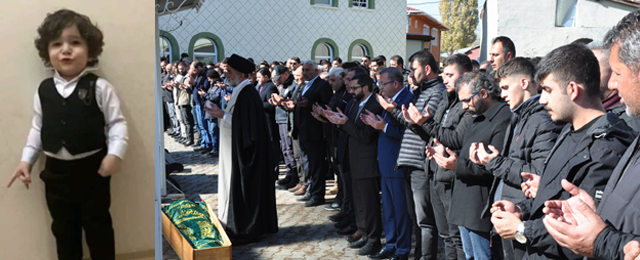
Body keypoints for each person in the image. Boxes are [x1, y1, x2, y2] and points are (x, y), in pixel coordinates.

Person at [490, 44, 635, 260]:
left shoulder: (606, 149)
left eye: (548, 90)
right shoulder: (568, 130)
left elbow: (582, 233)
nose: (542, 100)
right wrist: (522, 209)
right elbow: (557, 200)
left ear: (573, 89)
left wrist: (523, 230)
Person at [7, 9, 128, 260]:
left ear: (90, 49)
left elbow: (117, 124)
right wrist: (26, 160)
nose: (66, 49)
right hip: (56, 175)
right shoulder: (44, 90)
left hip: (93, 171)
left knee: (98, 228)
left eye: (75, 42)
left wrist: (115, 154)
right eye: (57, 44)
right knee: (63, 230)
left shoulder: (100, 87)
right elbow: (38, 128)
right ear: (46, 51)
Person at [541, 10, 640, 260]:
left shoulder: (610, 141)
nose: (612, 85)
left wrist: (603, 241)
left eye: (617, 73)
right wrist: (599, 210)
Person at [473, 57, 562, 260]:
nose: (502, 94)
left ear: (524, 83)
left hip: (525, 218)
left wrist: (495, 162)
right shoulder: (520, 116)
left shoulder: (542, 120)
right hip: (512, 211)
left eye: (505, 87)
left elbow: (537, 175)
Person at [403, 53, 474, 260]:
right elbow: (432, 132)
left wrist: (424, 123)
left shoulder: (467, 105)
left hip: (453, 178)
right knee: (446, 235)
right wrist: (415, 123)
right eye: (444, 74)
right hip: (435, 173)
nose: (445, 79)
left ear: (466, 76)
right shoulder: (447, 99)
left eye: (450, 75)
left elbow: (455, 138)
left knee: (456, 236)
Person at [376, 49, 445, 260]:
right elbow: (410, 123)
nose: (410, 75)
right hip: (409, 161)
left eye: (413, 69)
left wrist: (391, 110)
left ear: (426, 68)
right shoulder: (420, 91)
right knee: (415, 216)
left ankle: (423, 257)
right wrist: (395, 110)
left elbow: (420, 123)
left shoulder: (437, 92)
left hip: (421, 162)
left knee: (424, 219)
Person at [203, 54, 278, 242]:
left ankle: (245, 228)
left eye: (229, 72)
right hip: (236, 149)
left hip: (247, 155)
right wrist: (222, 114)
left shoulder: (247, 93)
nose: (226, 75)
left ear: (242, 75)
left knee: (245, 191)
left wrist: (222, 114)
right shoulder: (240, 90)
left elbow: (248, 127)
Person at [324, 73, 384, 256]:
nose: (350, 91)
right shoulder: (358, 103)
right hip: (355, 161)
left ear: (365, 88)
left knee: (369, 204)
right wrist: (338, 121)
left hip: (367, 163)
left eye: (354, 88)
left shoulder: (375, 105)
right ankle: (364, 234)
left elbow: (366, 135)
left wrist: (345, 123)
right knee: (359, 204)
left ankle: (374, 240)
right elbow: (350, 127)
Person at [361, 67, 413, 260]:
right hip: (385, 162)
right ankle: (391, 245)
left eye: (383, 83)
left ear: (396, 84)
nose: (379, 87)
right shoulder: (387, 100)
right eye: (379, 83)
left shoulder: (407, 99)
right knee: (389, 210)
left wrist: (383, 126)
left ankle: (402, 249)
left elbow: (410, 134)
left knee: (401, 211)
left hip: (398, 163)